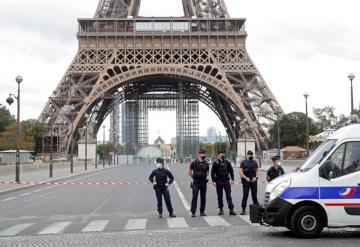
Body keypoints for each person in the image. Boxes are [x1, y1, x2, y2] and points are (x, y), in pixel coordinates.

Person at [211, 150, 236, 216]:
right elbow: (212, 173)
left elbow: (231, 171)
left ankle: (231, 209)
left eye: (223, 154)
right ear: (218, 155)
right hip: (218, 180)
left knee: (228, 195)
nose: (223, 155)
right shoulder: (215, 163)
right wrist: (213, 181)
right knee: (220, 196)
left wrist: (232, 179)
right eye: (221, 154)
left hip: (226, 181)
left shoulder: (227, 162)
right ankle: (221, 209)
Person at [188, 150, 210, 217]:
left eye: (204, 154)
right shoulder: (194, 163)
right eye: (202, 154)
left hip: (203, 182)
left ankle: (202, 211)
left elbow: (207, 173)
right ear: (199, 155)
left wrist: (203, 176)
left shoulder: (206, 163)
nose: (203, 155)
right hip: (196, 183)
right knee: (195, 197)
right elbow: (189, 172)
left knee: (203, 198)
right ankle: (193, 212)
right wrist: (194, 177)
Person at [239, 150, 259, 215]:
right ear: (246, 155)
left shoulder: (254, 162)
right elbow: (240, 172)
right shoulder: (243, 162)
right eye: (249, 155)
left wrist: (255, 177)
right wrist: (245, 178)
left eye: (251, 155)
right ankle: (243, 209)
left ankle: (256, 210)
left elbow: (258, 172)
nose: (250, 156)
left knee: (254, 196)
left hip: (253, 181)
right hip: (246, 181)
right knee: (245, 195)